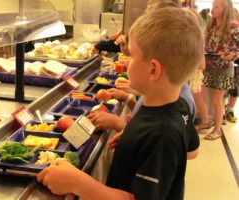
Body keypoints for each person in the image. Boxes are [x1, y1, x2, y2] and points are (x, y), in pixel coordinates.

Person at [37, 7, 203, 200]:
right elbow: (192, 150)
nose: (126, 60)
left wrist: (78, 182)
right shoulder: (178, 106)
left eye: (131, 55)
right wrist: (135, 139)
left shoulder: (161, 133)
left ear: (153, 70)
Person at [201, 0, 239, 140]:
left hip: (223, 68)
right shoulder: (211, 24)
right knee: (203, 95)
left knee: (217, 99)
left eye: (216, 7)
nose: (212, 10)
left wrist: (234, 55)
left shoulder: (234, 26)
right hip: (208, 65)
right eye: (213, 6)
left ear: (225, 9)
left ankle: (217, 130)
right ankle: (207, 121)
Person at [225, 8, 239, 123]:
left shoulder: (237, 29)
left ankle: (230, 110)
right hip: (225, 66)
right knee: (224, 89)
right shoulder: (224, 30)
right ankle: (224, 111)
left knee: (234, 90)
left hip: (236, 66)